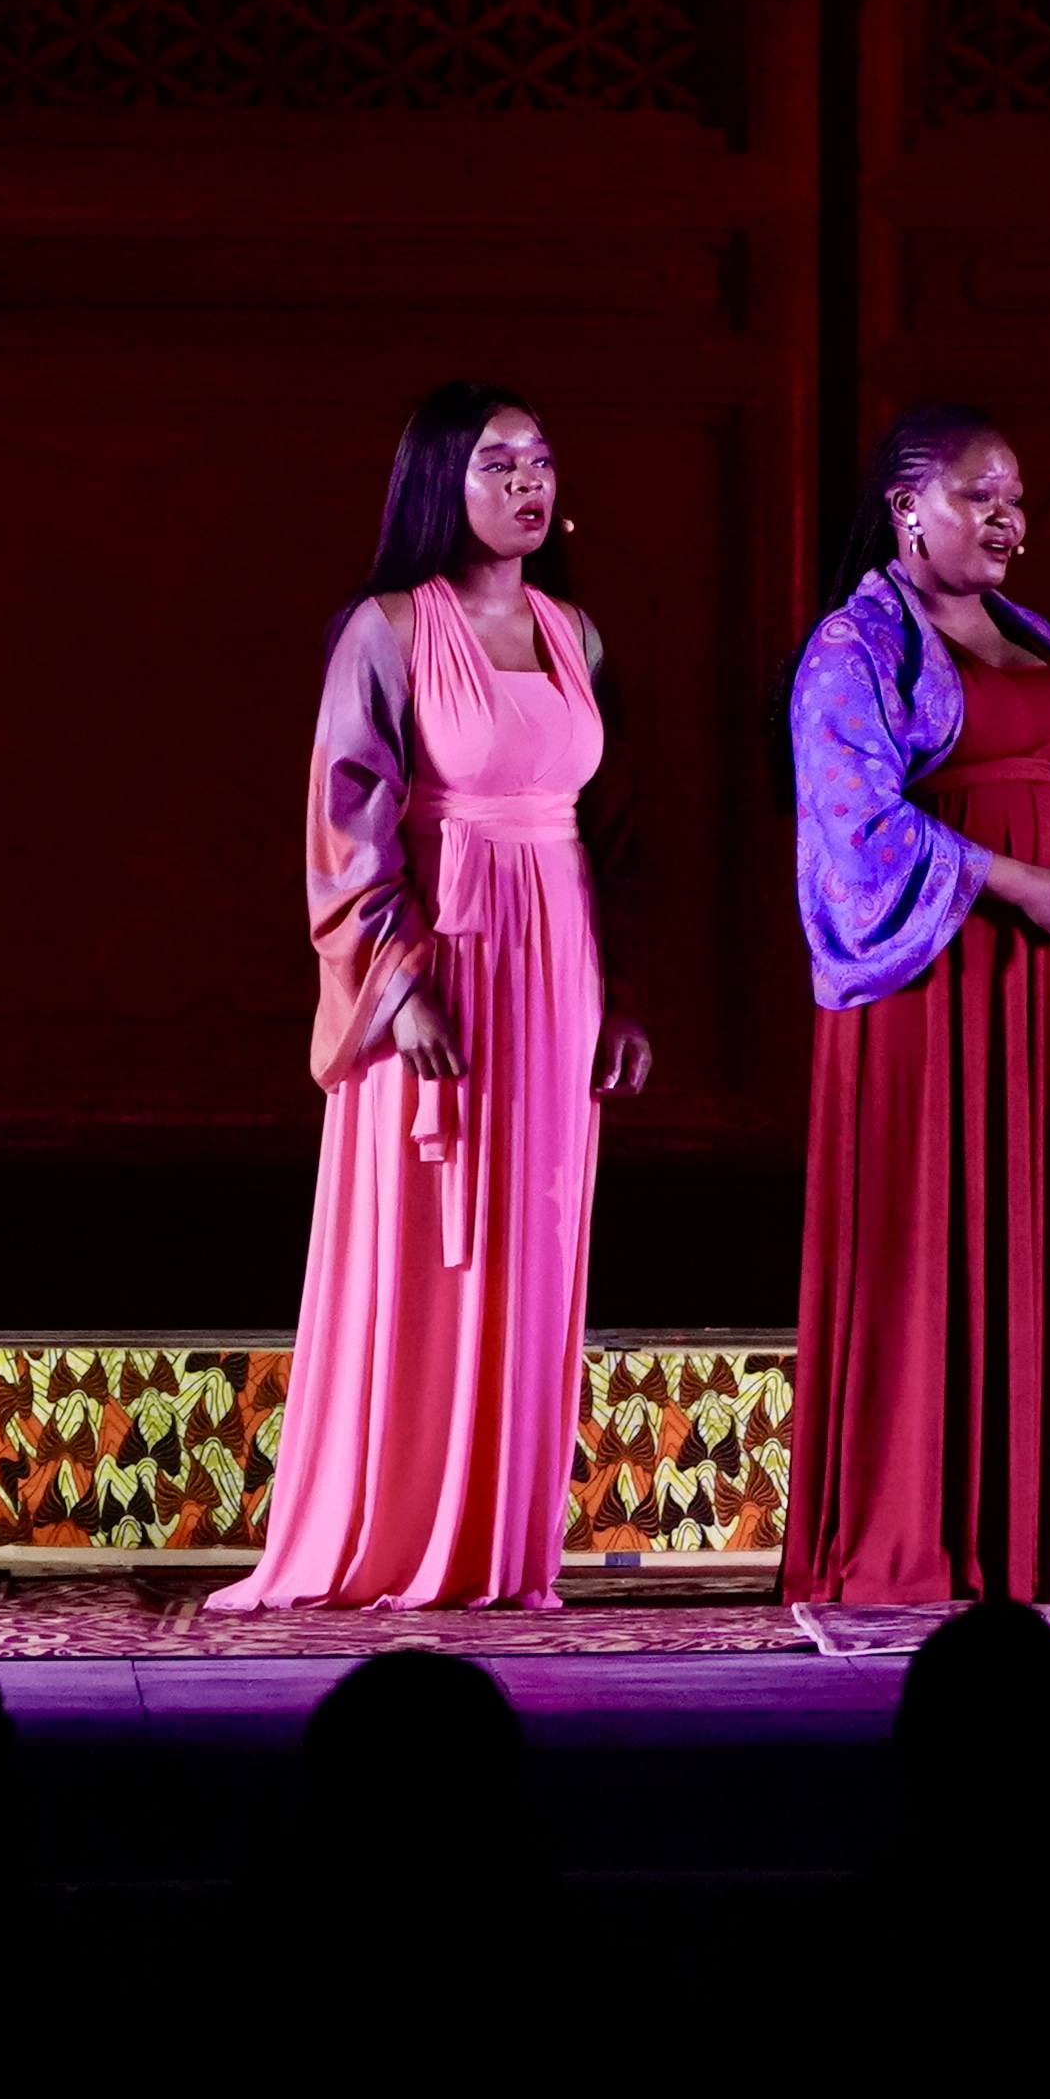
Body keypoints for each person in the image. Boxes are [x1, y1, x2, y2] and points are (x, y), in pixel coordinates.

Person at [218, 385, 650, 1611]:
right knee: (427, 1235)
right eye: (499, 461)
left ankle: (502, 1546)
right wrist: (396, 976)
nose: (530, 482)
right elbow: (347, 816)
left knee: (536, 1236)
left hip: (556, 954)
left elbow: (614, 837)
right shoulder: (389, 629)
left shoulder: (582, 635)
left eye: (543, 461)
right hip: (442, 954)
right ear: (439, 481)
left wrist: (618, 997)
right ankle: (392, 1524)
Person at [782, 405, 1050, 1606]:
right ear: (905, 506)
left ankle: (1013, 1540)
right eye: (980, 494)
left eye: (1016, 495)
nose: (1007, 517)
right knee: (922, 1237)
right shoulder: (855, 644)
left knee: (1023, 1232)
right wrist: (1020, 879)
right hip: (932, 983)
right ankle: (897, 1538)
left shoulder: (1028, 629)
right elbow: (855, 823)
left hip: (1040, 983)